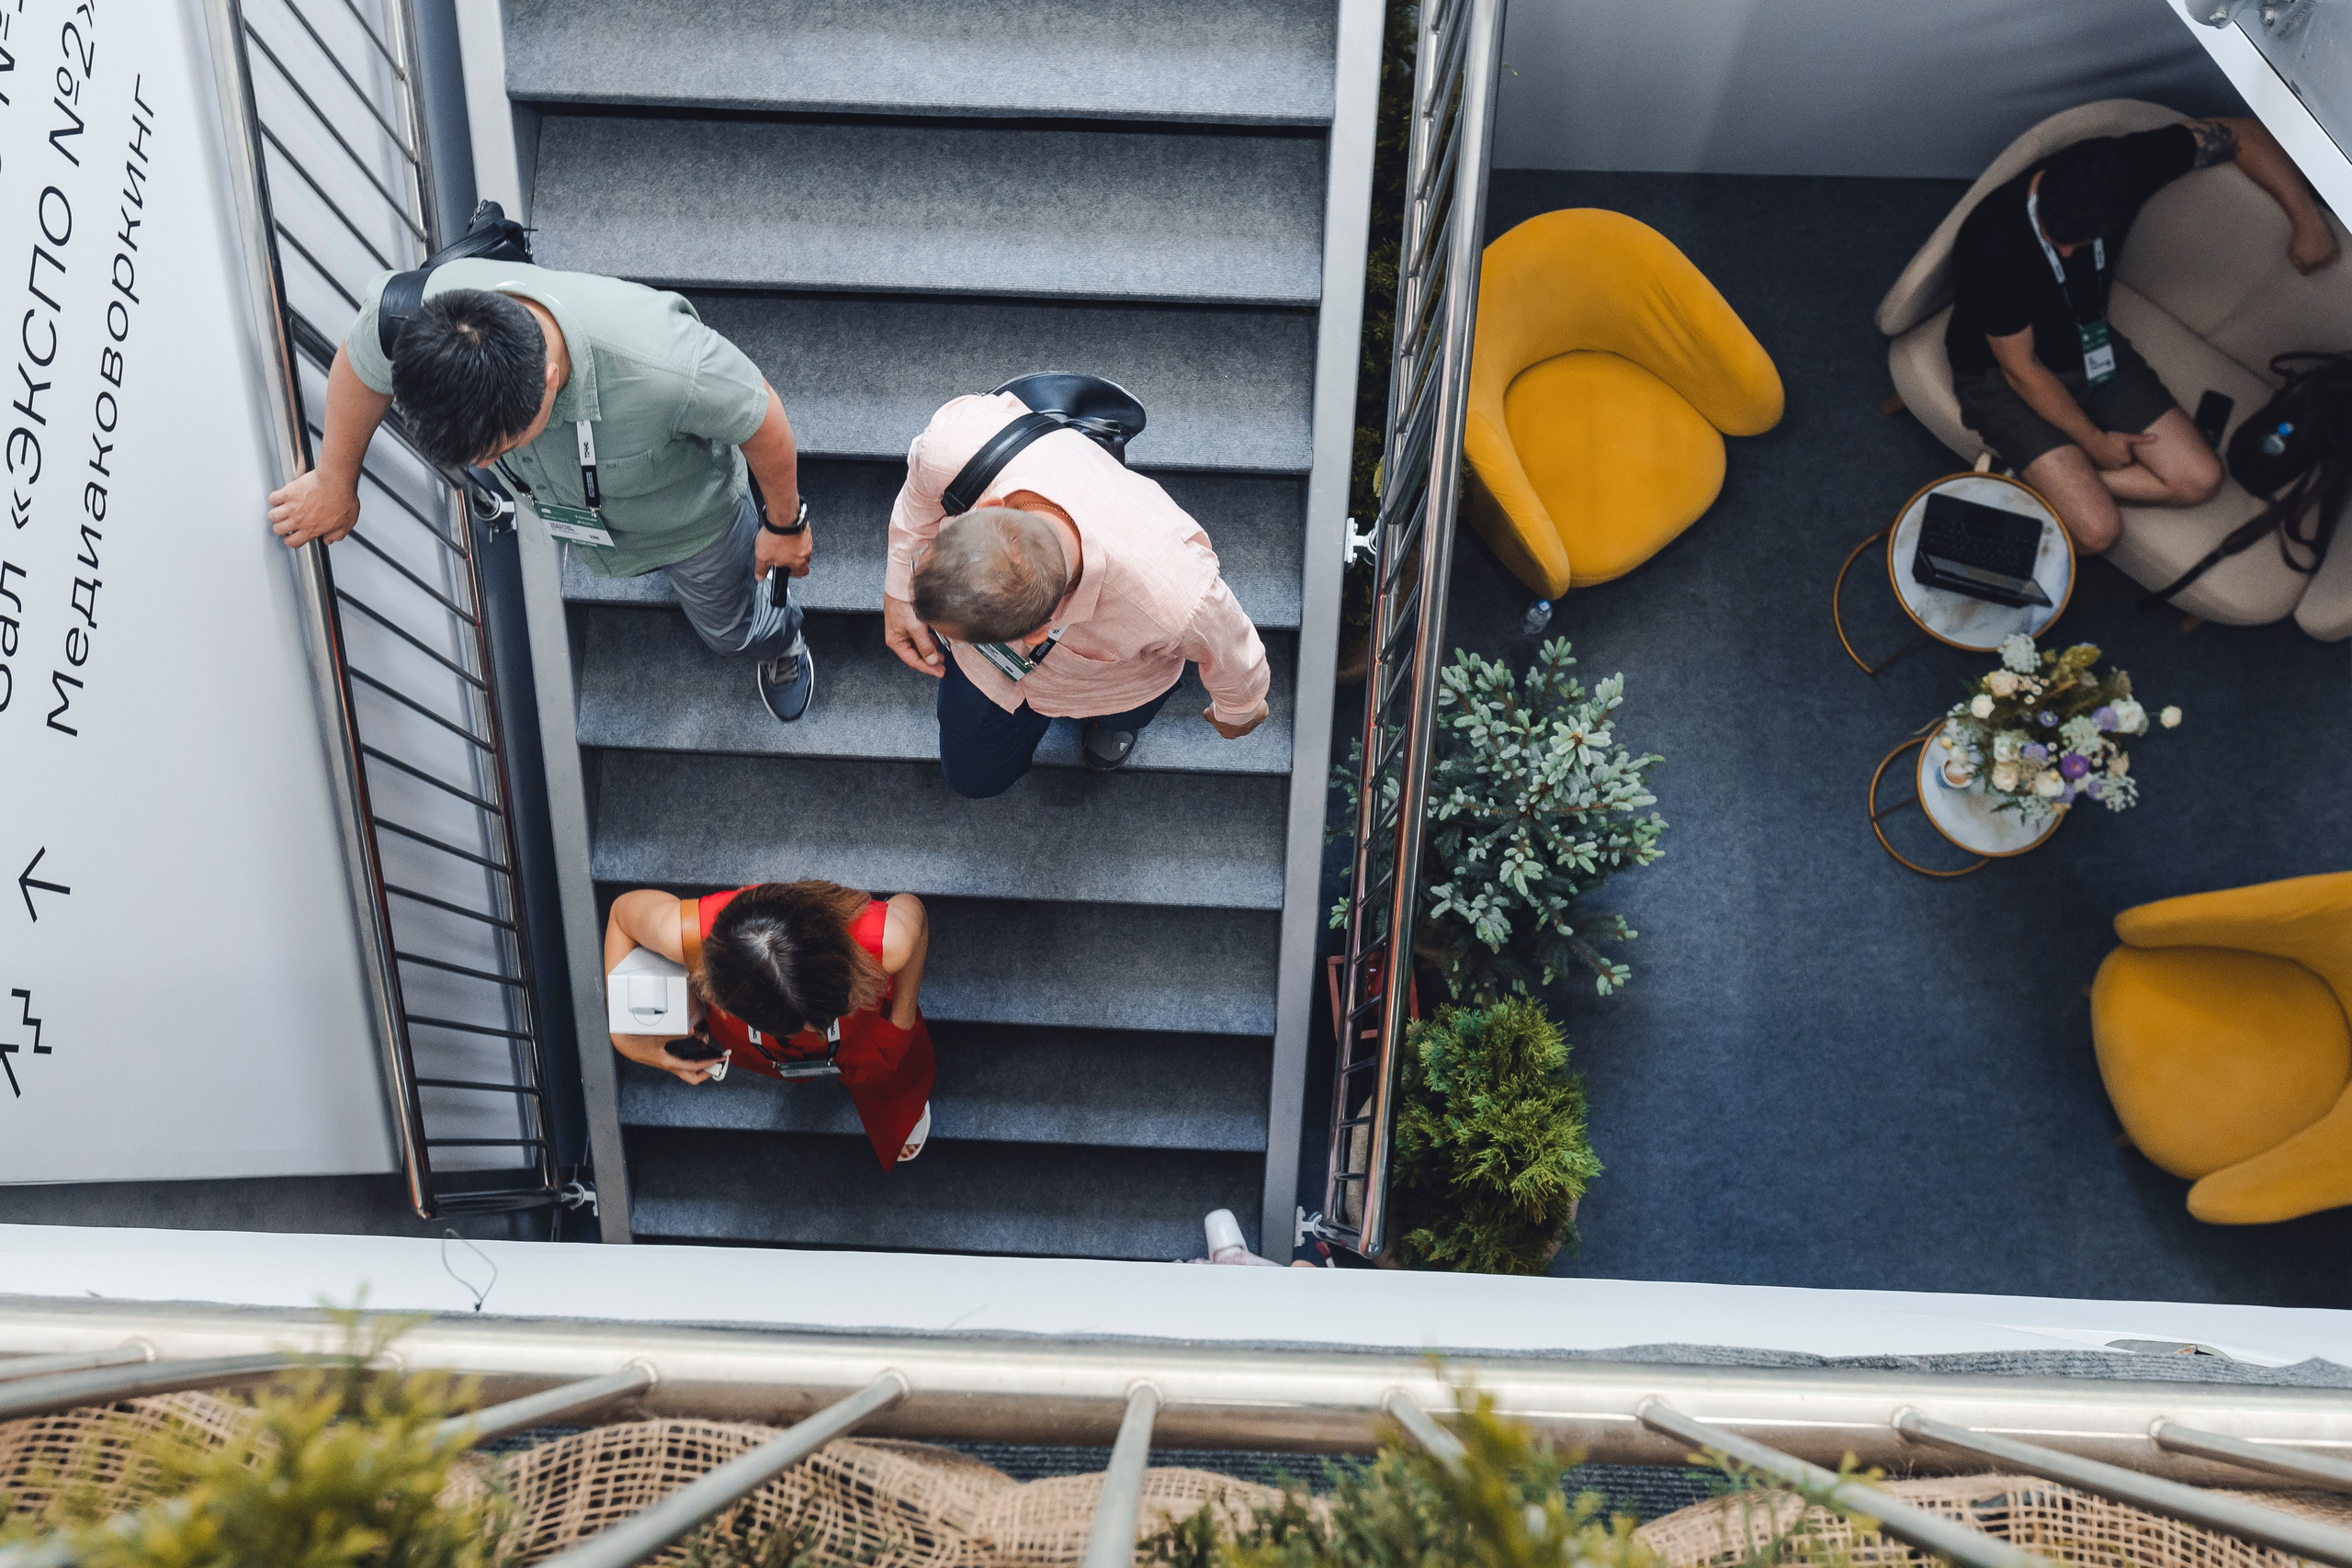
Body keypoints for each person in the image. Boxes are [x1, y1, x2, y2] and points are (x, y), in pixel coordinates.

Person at [265, 261, 819, 724]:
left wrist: (783, 526)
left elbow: (761, 415)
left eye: (500, 444)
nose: (484, 466)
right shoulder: (422, 320)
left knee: (730, 630)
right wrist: (337, 481)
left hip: (692, 526)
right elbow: (363, 362)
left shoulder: (667, 365)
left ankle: (780, 640)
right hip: (581, 513)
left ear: (550, 378)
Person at [1946, 115, 2340, 555]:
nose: (2068, 253)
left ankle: (2021, 477)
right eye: (2055, 239)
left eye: (2080, 241)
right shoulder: (1992, 243)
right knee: (2098, 534)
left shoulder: (2126, 165)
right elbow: (2022, 369)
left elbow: (2243, 132)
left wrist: (2307, 219)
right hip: (2004, 376)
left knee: (2201, 480)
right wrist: (2096, 445)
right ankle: (2060, 481)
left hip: (2089, 345)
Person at [879, 390, 1272, 798]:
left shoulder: (1175, 597)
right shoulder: (961, 444)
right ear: (987, 505)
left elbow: (1235, 652)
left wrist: (1238, 711)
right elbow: (920, 493)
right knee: (973, 777)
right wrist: (898, 592)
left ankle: (1114, 723)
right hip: (990, 673)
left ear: (1033, 635)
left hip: (1114, 682)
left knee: (1127, 710)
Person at [603, 882, 933, 1168]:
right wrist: (625, 1041)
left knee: (889, 1070)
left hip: (860, 1029)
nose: (806, 1033)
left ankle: (897, 1107)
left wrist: (901, 1023)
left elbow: (914, 922)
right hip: (757, 1047)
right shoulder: (683, 936)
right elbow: (621, 917)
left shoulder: (886, 939)